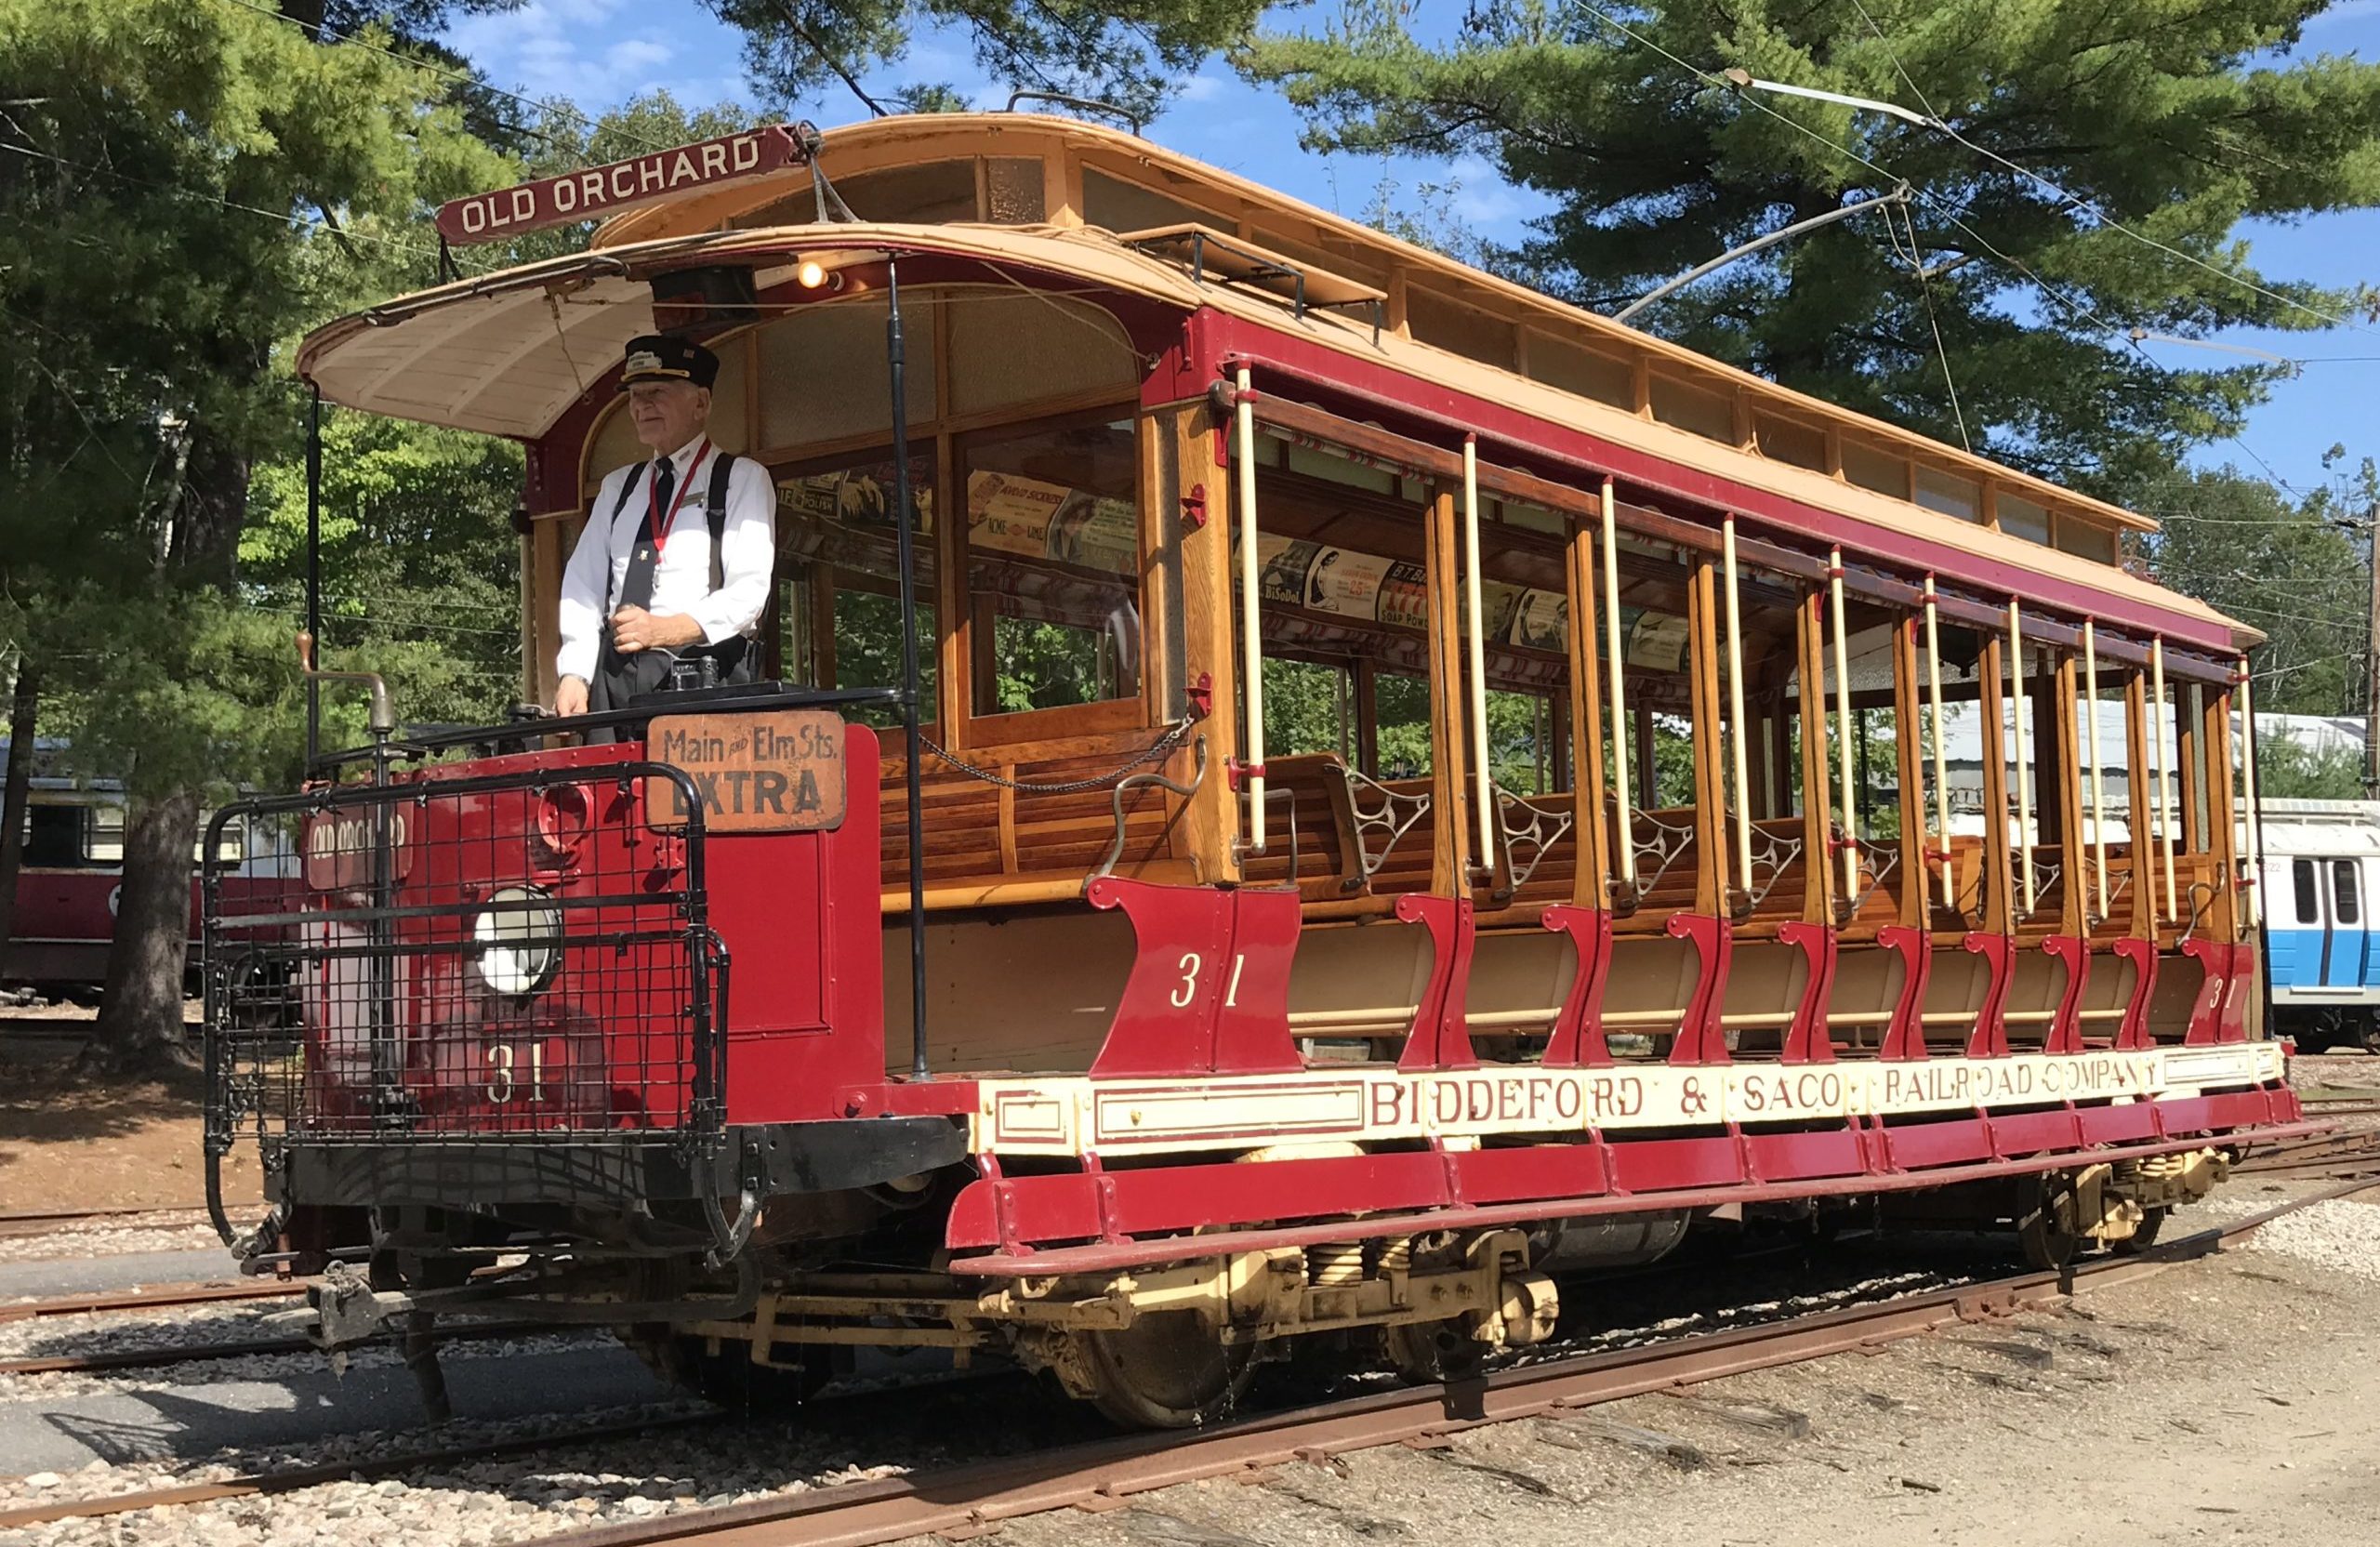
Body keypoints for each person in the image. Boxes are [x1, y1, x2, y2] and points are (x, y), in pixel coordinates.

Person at [552, 335, 774, 726]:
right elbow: (583, 586)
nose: (641, 405)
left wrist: (664, 630)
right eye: (635, 395)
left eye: (657, 391)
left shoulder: (740, 479)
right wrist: (575, 671)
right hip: (614, 680)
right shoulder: (618, 486)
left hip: (701, 680)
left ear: (701, 403)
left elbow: (748, 593)